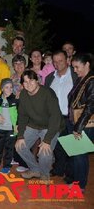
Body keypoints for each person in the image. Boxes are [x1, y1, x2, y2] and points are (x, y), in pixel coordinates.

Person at [15, 70, 65, 181]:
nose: (28, 84)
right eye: (25, 82)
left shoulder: (47, 93)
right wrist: (20, 136)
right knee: (19, 146)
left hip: (50, 126)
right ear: (22, 84)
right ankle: (35, 170)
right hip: (33, 124)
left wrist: (47, 140)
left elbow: (55, 117)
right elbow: (22, 116)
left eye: (31, 80)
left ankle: (45, 174)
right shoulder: (23, 94)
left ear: (37, 80)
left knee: (44, 152)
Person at [44, 50, 77, 178]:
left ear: (67, 60)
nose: (58, 64)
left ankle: (70, 174)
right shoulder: (49, 78)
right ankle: (58, 169)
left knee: (72, 148)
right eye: (55, 61)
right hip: (54, 118)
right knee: (57, 146)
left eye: (61, 61)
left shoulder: (75, 75)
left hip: (71, 118)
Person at [67, 53, 94, 192]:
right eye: (73, 67)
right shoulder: (82, 78)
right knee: (77, 154)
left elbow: (90, 106)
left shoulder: (92, 80)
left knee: (79, 154)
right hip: (77, 121)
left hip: (85, 124)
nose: (75, 70)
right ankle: (77, 181)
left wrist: (78, 127)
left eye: (77, 67)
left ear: (87, 64)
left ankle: (80, 186)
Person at [0, 79, 18, 174]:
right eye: (6, 87)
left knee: (9, 148)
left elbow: (21, 113)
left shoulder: (15, 99)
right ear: (2, 88)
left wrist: (17, 125)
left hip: (11, 129)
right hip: (0, 128)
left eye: (11, 87)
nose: (9, 89)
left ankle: (6, 166)